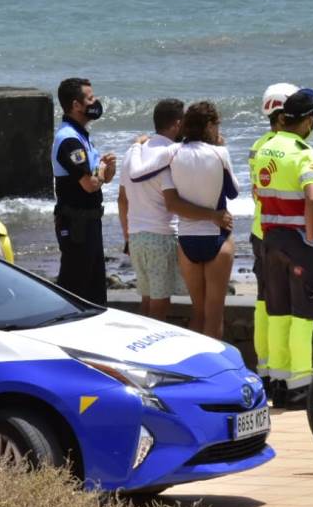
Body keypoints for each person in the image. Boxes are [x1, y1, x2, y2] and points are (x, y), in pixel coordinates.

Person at [125, 102, 236, 339]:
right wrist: (220, 150)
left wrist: (135, 147)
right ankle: (212, 370)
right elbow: (233, 190)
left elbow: (136, 174)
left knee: (198, 310)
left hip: (185, 240)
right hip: (216, 235)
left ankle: (193, 366)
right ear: (210, 125)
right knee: (214, 313)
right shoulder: (220, 152)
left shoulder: (172, 152)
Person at [252, 88, 313, 409]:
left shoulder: (265, 149)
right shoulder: (305, 153)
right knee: (304, 316)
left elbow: (258, 191)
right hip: (299, 242)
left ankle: (279, 383)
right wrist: (311, 239)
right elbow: (312, 196)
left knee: (277, 312)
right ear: (308, 120)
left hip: (270, 240)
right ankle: (302, 387)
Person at [249, 83, 297, 396]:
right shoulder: (290, 149)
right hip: (287, 236)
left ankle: (266, 370)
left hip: (259, 232)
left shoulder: (258, 146)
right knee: (287, 311)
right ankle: (286, 377)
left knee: (265, 305)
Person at [117, 99, 185, 320]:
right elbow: (172, 201)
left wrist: (127, 236)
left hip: (136, 236)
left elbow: (122, 200)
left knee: (146, 300)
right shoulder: (170, 155)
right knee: (160, 303)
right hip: (161, 235)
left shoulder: (132, 153)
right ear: (176, 124)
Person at [52, 77, 116, 305]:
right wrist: (99, 172)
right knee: (74, 290)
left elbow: (101, 179)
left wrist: (108, 168)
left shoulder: (81, 136)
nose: (95, 101)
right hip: (75, 224)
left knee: (95, 290)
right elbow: (89, 184)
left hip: (90, 222)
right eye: (90, 98)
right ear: (76, 105)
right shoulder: (69, 140)